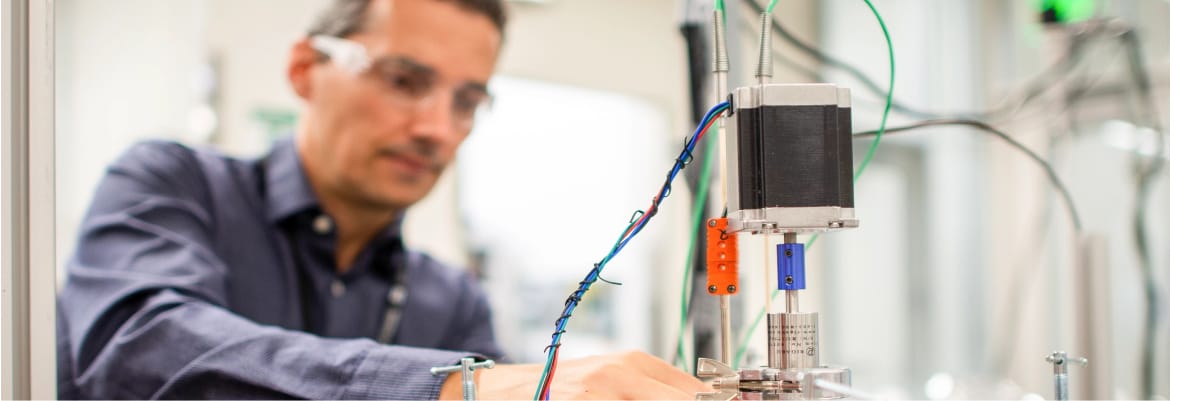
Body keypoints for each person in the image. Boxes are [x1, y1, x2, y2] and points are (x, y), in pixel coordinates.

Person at [56, 0, 710, 399]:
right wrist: (457, 388)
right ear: (306, 69)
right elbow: (136, 353)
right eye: (403, 80)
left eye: (466, 101)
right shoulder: (175, 184)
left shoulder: (449, 298)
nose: (436, 127)